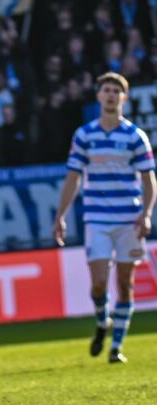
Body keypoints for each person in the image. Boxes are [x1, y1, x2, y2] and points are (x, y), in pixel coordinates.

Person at [52, 72, 156, 364]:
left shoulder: (135, 136)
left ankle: (116, 347)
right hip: (96, 219)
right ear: (99, 96)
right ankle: (102, 322)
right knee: (98, 283)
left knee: (125, 283)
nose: (111, 95)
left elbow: (149, 180)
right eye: (106, 90)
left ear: (124, 98)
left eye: (116, 91)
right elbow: (73, 177)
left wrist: (147, 214)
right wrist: (60, 216)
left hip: (128, 219)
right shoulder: (85, 135)